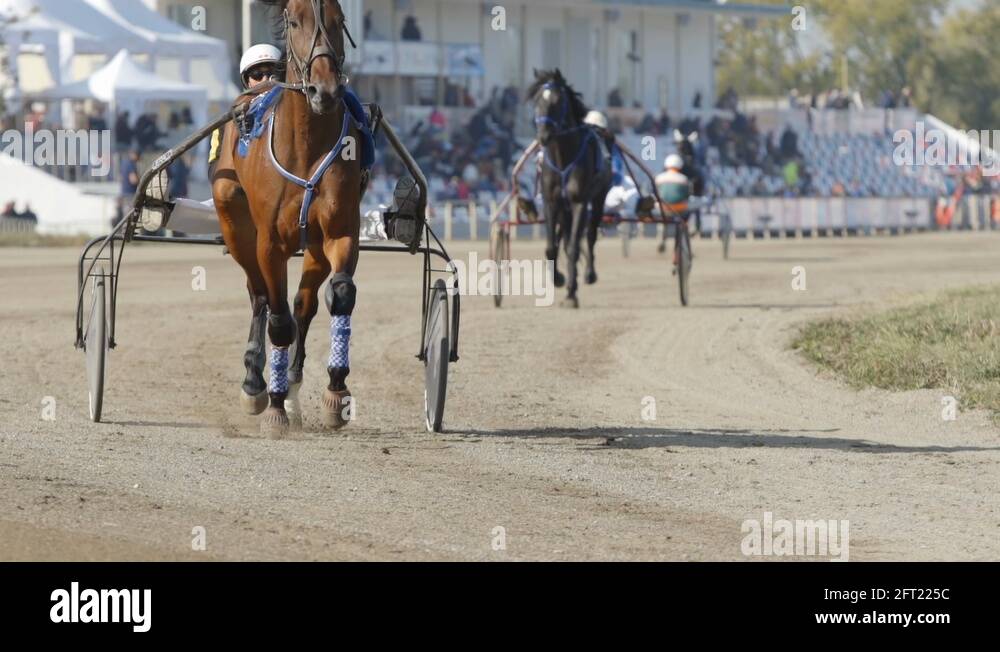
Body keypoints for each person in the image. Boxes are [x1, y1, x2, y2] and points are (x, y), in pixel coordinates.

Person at [208, 44, 282, 177]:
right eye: (257, 75)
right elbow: (215, 170)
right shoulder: (226, 124)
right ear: (248, 82)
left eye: (272, 74)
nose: (266, 79)